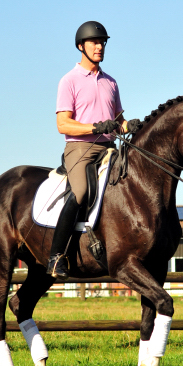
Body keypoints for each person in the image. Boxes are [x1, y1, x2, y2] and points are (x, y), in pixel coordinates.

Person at [46, 21, 141, 280]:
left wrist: (128, 125)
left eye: (102, 43)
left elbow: (118, 121)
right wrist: (94, 126)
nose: (99, 47)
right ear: (81, 46)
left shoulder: (111, 82)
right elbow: (62, 123)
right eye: (94, 43)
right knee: (81, 192)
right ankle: (56, 257)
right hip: (81, 149)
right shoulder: (69, 80)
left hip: (109, 148)